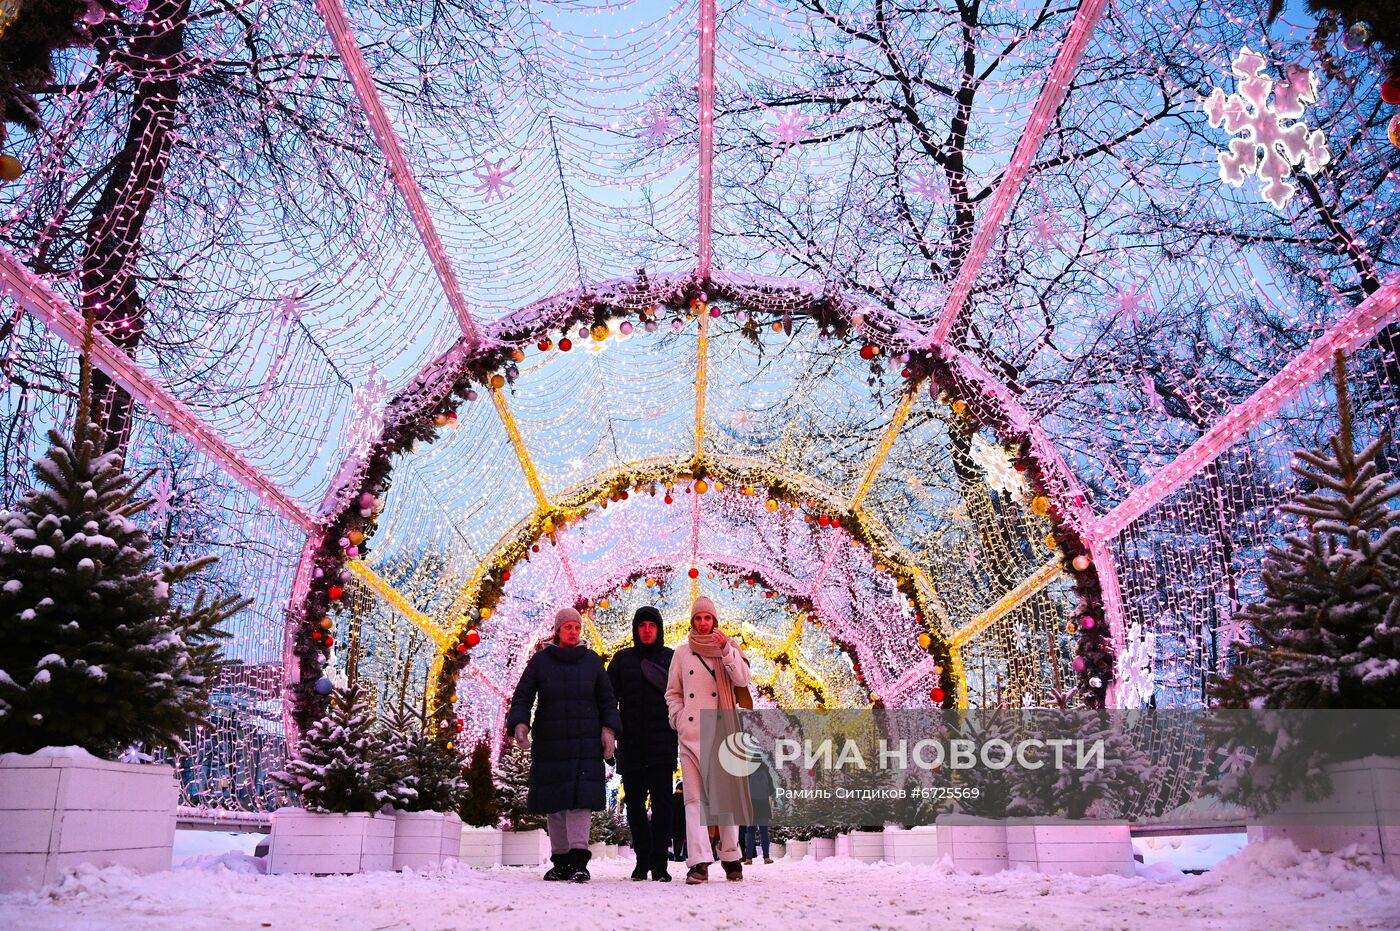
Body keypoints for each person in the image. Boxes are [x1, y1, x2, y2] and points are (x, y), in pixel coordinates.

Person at [505, 606, 622, 883]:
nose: (573, 632)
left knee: (580, 801)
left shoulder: (592, 662)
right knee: (555, 802)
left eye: (577, 627)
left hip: (584, 741)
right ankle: (560, 861)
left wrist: (608, 731)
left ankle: (579, 861)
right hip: (551, 741)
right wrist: (520, 724)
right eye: (568, 627)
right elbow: (523, 696)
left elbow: (607, 699)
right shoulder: (540, 662)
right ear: (557, 630)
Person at [666, 595, 753, 884]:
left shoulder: (729, 648)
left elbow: (742, 680)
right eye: (698, 618)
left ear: (715, 620)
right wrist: (678, 718)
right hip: (691, 734)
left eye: (707, 618)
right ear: (691, 621)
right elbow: (673, 692)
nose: (703, 624)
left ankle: (730, 856)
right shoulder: (681, 653)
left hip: (723, 729)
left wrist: (727, 649)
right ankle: (699, 862)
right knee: (694, 800)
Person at [607, 606, 679, 882]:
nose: (647, 630)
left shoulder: (671, 658)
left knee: (663, 807)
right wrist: (610, 734)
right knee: (635, 807)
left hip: (662, 747)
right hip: (633, 746)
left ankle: (660, 863)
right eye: (642, 625)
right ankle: (642, 860)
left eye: (652, 625)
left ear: (659, 629)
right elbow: (608, 698)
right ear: (635, 629)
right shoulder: (622, 660)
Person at [742, 759, 776, 863]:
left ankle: (748, 858)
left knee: (750, 832)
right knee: (764, 832)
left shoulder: (748, 773)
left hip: (751, 806)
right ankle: (766, 857)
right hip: (764, 806)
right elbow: (771, 790)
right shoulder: (766, 772)